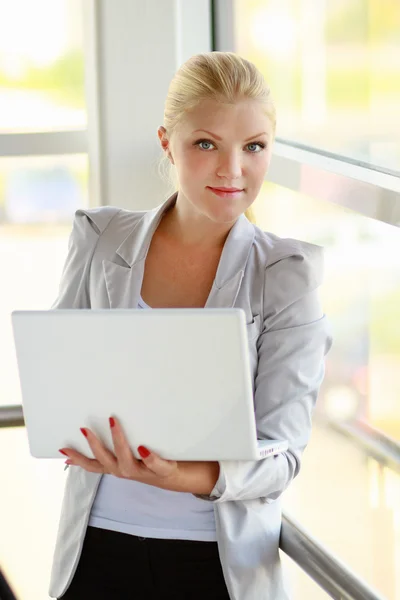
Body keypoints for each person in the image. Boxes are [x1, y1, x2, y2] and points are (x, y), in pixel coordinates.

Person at [49, 51, 332, 600]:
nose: (233, 169)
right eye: (206, 144)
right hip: (97, 549)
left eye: (254, 147)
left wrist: (177, 476)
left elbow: (282, 456)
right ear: (166, 143)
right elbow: (59, 382)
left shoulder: (287, 277)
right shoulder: (99, 240)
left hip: (216, 564)